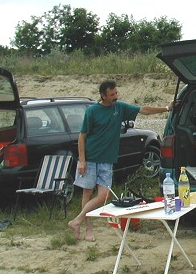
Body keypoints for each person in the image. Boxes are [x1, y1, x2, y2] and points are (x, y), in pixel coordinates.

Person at [68, 80, 175, 241]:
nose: (115, 96)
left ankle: (77, 220)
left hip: (107, 160)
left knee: (104, 196)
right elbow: (82, 137)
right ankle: (87, 228)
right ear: (103, 96)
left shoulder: (120, 108)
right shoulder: (92, 112)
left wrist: (166, 108)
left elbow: (143, 110)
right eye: (112, 95)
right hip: (90, 158)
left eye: (116, 93)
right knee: (87, 194)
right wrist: (82, 161)